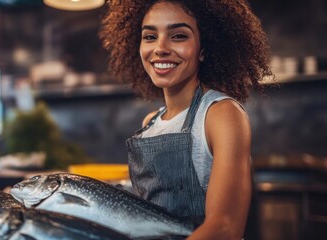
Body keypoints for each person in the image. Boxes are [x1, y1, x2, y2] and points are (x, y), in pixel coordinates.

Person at [100, 0, 273, 239]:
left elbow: (225, 228)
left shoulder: (221, 114)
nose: (160, 48)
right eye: (150, 37)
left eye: (178, 36)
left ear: (203, 49)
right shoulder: (150, 122)